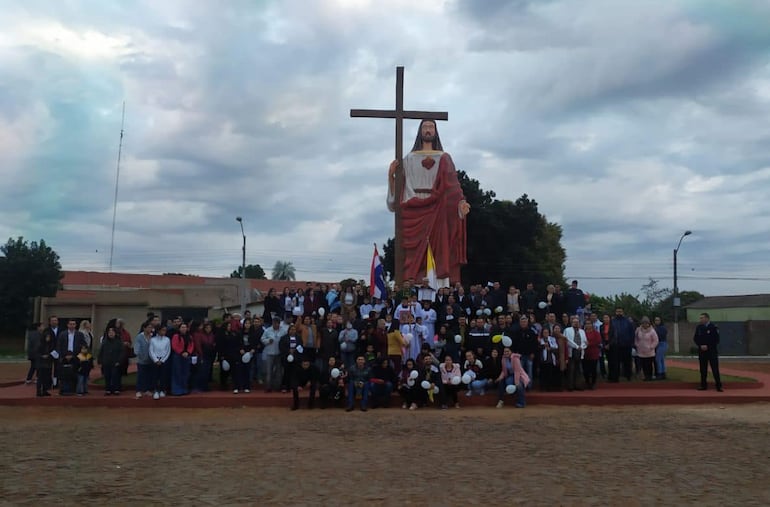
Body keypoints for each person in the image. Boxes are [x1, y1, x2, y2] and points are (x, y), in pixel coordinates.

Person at [386, 119, 470, 286]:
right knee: (413, 251)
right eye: (425, 127)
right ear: (420, 131)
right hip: (413, 208)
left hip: (438, 209)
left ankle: (438, 286)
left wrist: (460, 203)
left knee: (439, 247)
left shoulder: (444, 158)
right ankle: (412, 285)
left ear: (436, 131)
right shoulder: (409, 158)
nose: (428, 130)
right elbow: (401, 187)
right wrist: (391, 177)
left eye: (431, 127)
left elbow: (453, 186)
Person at [694, 313, 723, 392]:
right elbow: (696, 338)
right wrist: (700, 345)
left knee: (715, 369)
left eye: (702, 318)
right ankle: (703, 385)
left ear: (707, 318)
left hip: (712, 351)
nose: (701, 319)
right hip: (702, 351)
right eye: (700, 318)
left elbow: (716, 340)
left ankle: (718, 386)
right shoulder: (699, 327)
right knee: (703, 369)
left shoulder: (713, 327)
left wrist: (708, 346)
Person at [609, 307, 635, 382]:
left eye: (620, 311)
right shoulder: (612, 322)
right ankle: (615, 377)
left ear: (623, 312)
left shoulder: (628, 322)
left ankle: (628, 376)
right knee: (616, 362)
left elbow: (632, 333)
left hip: (626, 345)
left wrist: (631, 343)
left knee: (627, 362)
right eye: (617, 311)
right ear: (615, 312)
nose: (619, 313)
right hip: (616, 345)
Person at [261, 317, 286, 393]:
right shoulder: (268, 330)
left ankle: (278, 386)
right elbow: (262, 339)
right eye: (274, 323)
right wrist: (268, 341)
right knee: (269, 371)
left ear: (279, 323)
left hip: (279, 353)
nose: (275, 325)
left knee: (279, 371)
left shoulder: (283, 331)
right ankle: (268, 387)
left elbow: (285, 340)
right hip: (270, 353)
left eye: (277, 323)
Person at [170, 323, 194, 396]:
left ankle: (184, 389)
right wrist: (181, 352)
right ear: (179, 328)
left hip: (186, 357)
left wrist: (188, 352)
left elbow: (191, 345)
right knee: (177, 373)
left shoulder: (189, 337)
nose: (184, 329)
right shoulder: (176, 336)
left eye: (185, 327)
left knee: (185, 373)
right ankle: (176, 390)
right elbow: (174, 345)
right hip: (178, 356)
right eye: (182, 327)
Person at [564, 316, 587, 391]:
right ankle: (570, 386)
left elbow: (585, 341)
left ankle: (578, 385)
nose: (576, 323)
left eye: (577, 322)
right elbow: (567, 340)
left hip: (580, 351)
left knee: (579, 369)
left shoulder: (582, 331)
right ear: (572, 323)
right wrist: (576, 346)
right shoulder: (567, 330)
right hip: (572, 350)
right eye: (574, 322)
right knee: (571, 369)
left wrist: (582, 346)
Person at [98, 327, 123, 395]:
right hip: (106, 362)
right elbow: (101, 352)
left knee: (115, 376)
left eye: (112, 332)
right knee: (107, 376)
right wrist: (100, 361)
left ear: (115, 333)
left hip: (115, 362)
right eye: (109, 332)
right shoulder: (104, 342)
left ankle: (116, 389)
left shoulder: (119, 342)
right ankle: (108, 389)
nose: (111, 334)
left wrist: (119, 361)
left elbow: (122, 352)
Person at [149, 326, 171, 399]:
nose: (163, 332)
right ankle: (155, 391)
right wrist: (155, 360)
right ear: (158, 331)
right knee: (155, 376)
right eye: (162, 330)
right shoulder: (153, 340)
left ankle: (162, 390)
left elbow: (168, 351)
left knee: (163, 376)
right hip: (155, 360)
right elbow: (151, 351)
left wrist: (162, 360)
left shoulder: (167, 339)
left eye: (165, 330)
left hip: (163, 360)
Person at [133, 322, 154, 398]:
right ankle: (138, 390)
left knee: (149, 376)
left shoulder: (152, 336)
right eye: (148, 327)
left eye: (151, 327)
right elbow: (136, 349)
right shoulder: (139, 337)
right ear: (144, 328)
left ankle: (147, 390)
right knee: (141, 376)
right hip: (142, 361)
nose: (150, 329)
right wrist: (141, 356)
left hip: (151, 360)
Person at [35, 329, 56, 397]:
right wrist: (42, 356)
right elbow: (36, 353)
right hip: (41, 363)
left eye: (49, 337)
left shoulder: (51, 345)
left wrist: (50, 356)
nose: (48, 338)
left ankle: (45, 390)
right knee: (40, 378)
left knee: (47, 378)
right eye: (47, 337)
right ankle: (38, 391)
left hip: (48, 363)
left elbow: (54, 353)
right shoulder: (40, 344)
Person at [582, 322, 601, 390]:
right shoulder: (582, 332)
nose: (588, 325)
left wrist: (589, 343)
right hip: (584, 353)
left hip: (593, 353)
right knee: (585, 369)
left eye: (589, 324)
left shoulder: (596, 333)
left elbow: (598, 341)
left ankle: (593, 383)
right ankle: (587, 382)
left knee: (593, 369)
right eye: (586, 324)